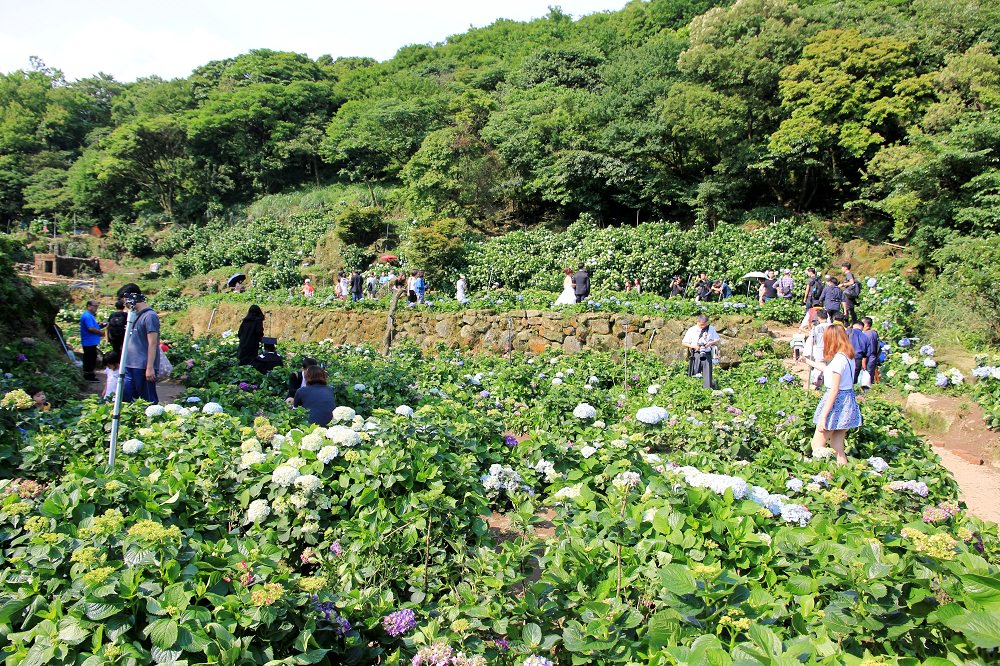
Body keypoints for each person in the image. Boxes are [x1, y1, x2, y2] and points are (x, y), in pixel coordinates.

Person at [802, 325, 862, 465]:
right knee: (838, 447)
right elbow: (829, 370)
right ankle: (844, 475)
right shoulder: (848, 357)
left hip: (835, 404)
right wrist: (808, 361)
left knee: (817, 445)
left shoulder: (838, 360)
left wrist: (823, 416)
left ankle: (821, 476)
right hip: (847, 402)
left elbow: (834, 389)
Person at [118, 283, 160, 404]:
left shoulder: (150, 316)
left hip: (142, 367)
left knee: (147, 402)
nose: (125, 305)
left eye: (125, 301)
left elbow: (153, 343)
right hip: (130, 365)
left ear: (132, 298)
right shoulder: (133, 315)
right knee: (128, 400)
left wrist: (150, 368)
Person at [682, 314, 720, 388]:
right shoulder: (692, 330)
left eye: (704, 324)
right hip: (696, 353)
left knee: (707, 373)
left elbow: (717, 339)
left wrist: (710, 343)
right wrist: (694, 346)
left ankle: (707, 389)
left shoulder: (710, 329)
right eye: (701, 325)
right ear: (697, 322)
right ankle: (693, 388)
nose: (703, 326)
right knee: (695, 371)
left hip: (707, 353)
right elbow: (684, 342)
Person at [79, 299, 104, 382]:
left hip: (91, 341)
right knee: (89, 359)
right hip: (88, 342)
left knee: (92, 358)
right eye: (95, 306)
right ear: (89, 306)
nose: (96, 308)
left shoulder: (89, 315)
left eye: (97, 306)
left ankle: (90, 375)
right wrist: (100, 332)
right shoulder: (87, 316)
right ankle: (89, 376)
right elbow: (90, 328)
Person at [861, 317, 881, 385]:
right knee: (871, 375)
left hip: (868, 357)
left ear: (866, 325)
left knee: (866, 375)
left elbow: (864, 350)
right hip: (873, 356)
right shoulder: (874, 333)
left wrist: (863, 362)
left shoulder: (866, 334)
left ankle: (867, 391)